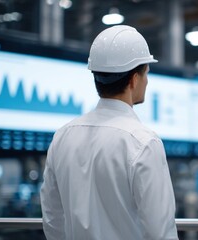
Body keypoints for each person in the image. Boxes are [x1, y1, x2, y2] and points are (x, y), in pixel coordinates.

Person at [40, 25, 178, 240]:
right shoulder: (143, 142)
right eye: (146, 74)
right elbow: (160, 231)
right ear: (134, 79)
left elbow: (52, 218)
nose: (147, 81)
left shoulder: (63, 136)